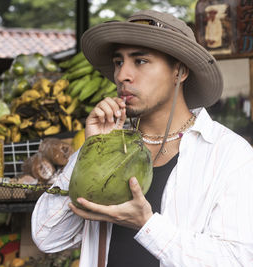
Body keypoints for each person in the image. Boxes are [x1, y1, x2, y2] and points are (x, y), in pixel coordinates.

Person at [31, 10, 253, 267]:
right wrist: (91, 151)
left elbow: (238, 260)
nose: (122, 75)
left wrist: (146, 225)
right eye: (118, 62)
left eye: (141, 61)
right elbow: (46, 237)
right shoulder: (109, 144)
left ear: (179, 71)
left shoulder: (230, 155)